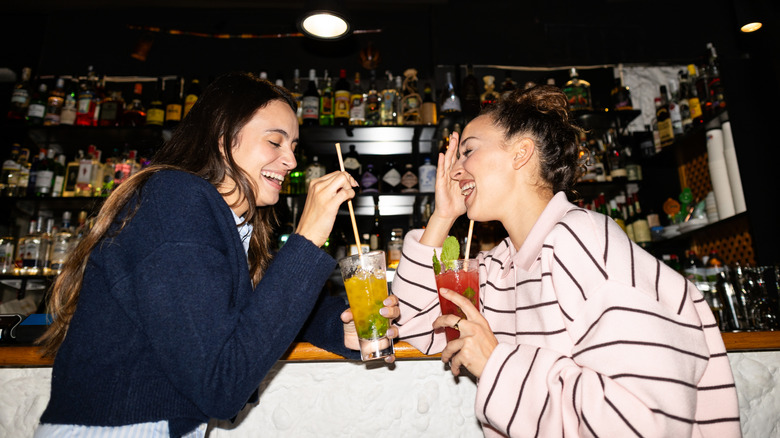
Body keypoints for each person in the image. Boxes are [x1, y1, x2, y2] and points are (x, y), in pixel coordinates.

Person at [34, 72, 399, 438]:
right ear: (223, 140)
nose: (290, 160)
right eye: (275, 142)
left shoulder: (226, 225)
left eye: (294, 147)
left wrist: (341, 327)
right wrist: (307, 237)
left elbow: (249, 307)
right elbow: (220, 385)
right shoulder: (175, 198)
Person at [390, 85, 740, 437]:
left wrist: (495, 362)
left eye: (468, 151)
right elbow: (417, 322)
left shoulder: (582, 241)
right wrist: (443, 216)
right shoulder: (501, 266)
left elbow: (643, 422)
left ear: (520, 153)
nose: (454, 171)